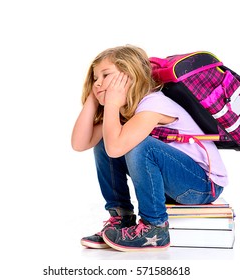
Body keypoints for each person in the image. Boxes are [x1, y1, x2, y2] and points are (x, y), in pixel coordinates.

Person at [71, 45, 228, 252]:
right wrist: (93, 98)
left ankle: (155, 228)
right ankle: (122, 221)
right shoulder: (126, 111)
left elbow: (116, 147)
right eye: (95, 78)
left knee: (137, 144)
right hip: (172, 187)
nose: (97, 83)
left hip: (203, 186)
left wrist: (111, 105)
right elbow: (80, 143)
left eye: (105, 75)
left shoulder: (153, 105)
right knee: (104, 141)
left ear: (130, 75)